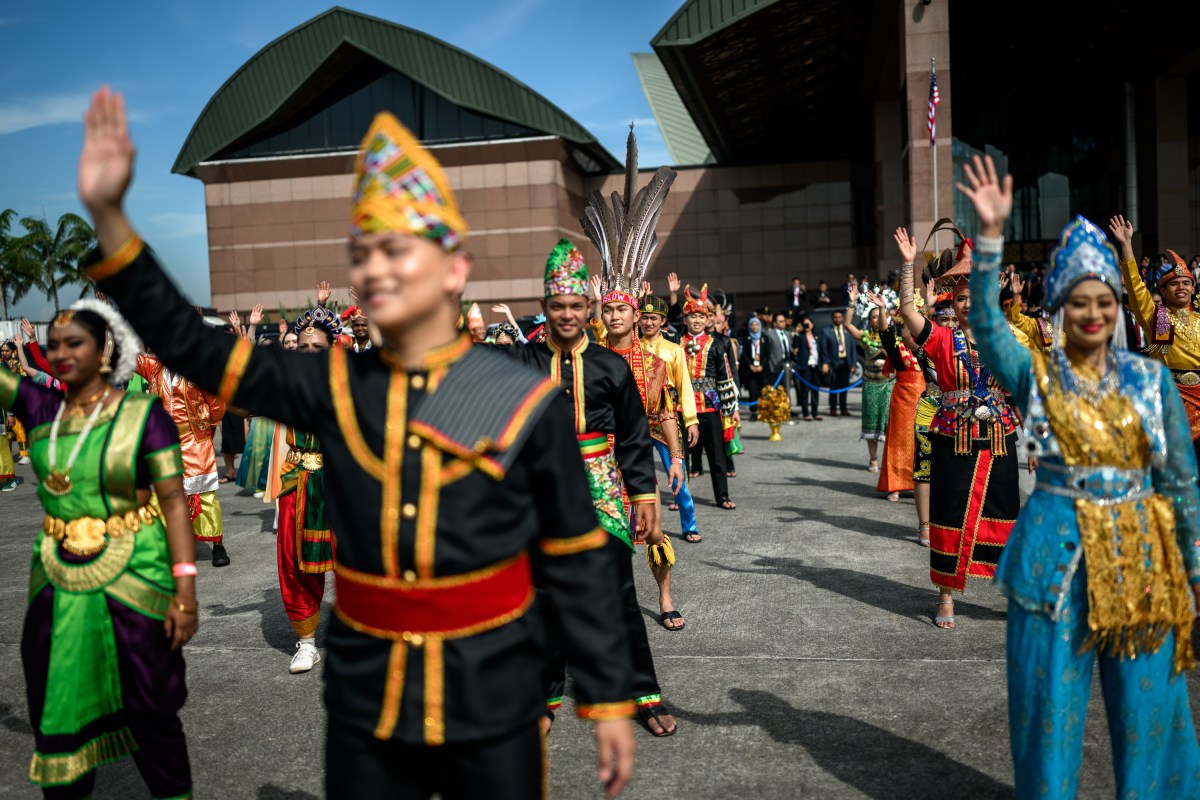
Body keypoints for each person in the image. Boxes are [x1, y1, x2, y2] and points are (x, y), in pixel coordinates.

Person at [76, 87, 637, 799]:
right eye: (362, 253)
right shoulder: (332, 385)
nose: (374, 268)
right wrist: (112, 220)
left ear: (455, 269)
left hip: (495, 697)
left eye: (397, 249)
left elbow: (577, 556)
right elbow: (196, 348)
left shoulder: (524, 398)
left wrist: (610, 695)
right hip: (369, 704)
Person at [963, 154, 1200, 800]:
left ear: (1117, 307)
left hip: (1143, 563)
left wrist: (1194, 571)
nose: (1092, 313)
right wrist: (989, 240)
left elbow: (1181, 485)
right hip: (1052, 569)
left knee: (1149, 721)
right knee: (1047, 720)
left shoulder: (1152, 382)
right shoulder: (1039, 376)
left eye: (1103, 301)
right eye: (1078, 301)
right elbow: (986, 329)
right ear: (1061, 308)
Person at [2, 298, 199, 799]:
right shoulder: (42, 406)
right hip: (57, 577)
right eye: (53, 346)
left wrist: (185, 590)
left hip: (136, 570)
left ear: (105, 348)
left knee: (150, 705)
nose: (61, 352)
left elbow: (174, 501)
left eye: (75, 343)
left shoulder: (143, 413)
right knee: (56, 704)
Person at [499, 236, 677, 737]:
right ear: (544, 308)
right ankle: (545, 695)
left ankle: (643, 692)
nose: (567, 314)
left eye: (577, 305)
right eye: (558, 306)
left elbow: (635, 441)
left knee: (618, 596)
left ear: (589, 308)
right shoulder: (523, 363)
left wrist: (645, 498)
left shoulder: (611, 365)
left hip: (602, 490)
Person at [895, 219, 1019, 629]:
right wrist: (909, 265)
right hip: (954, 435)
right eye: (961, 298)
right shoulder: (942, 339)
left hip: (999, 435)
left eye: (975, 297)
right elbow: (908, 311)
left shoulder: (1006, 337)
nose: (968, 304)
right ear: (953, 302)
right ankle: (946, 594)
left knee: (1003, 510)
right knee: (950, 510)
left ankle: (1011, 594)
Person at [1110, 214, 1200, 465]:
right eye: (1174, 284)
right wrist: (1126, 244)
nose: (1181, 287)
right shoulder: (1155, 317)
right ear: (1163, 290)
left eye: (1186, 283)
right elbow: (1136, 286)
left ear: (1193, 289)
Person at [137, 338, 228, 567]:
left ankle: (217, 544)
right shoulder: (153, 367)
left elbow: (217, 404)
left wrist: (205, 428)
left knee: (204, 494)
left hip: (194, 440)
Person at [639, 294, 702, 541]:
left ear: (663, 321)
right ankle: (643, 523)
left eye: (653, 318)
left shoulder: (674, 349)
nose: (648, 323)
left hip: (665, 417)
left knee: (677, 472)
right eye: (644, 318)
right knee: (640, 474)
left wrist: (691, 420)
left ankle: (689, 525)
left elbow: (685, 387)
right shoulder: (633, 347)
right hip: (638, 419)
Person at [681, 284, 738, 510]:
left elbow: (724, 377)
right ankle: (681, 498)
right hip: (682, 408)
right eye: (692, 316)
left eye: (700, 317)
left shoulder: (717, 344)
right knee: (681, 455)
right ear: (685, 319)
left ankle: (722, 496)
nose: (696, 320)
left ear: (707, 320)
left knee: (717, 455)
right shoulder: (677, 343)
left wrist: (730, 408)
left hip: (710, 407)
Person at [842, 298, 893, 471]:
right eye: (874, 317)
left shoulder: (895, 336)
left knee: (891, 424)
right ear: (869, 320)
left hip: (890, 385)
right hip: (871, 385)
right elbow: (848, 325)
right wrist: (852, 302)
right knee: (871, 422)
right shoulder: (865, 337)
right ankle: (873, 459)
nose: (877, 319)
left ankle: (890, 461)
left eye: (881, 315)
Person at [818, 309, 856, 416]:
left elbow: (852, 348)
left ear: (842, 318)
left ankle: (843, 407)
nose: (837, 319)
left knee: (844, 386)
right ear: (832, 318)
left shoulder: (847, 330)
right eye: (835, 317)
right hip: (833, 362)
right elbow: (823, 349)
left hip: (845, 362)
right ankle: (833, 408)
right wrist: (825, 362)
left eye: (839, 317)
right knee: (833, 386)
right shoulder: (826, 331)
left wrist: (853, 364)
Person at [792, 318, 823, 420]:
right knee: (804, 391)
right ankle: (806, 413)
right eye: (804, 324)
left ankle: (815, 412)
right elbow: (795, 350)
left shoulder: (817, 336)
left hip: (816, 366)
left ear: (812, 325)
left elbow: (822, 351)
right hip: (805, 367)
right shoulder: (800, 337)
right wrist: (797, 332)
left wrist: (824, 363)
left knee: (815, 390)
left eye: (808, 324)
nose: (807, 326)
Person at [763, 312, 794, 410]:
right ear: (775, 323)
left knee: (786, 389)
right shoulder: (769, 334)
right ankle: (775, 410)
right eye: (780, 321)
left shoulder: (788, 334)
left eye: (784, 321)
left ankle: (786, 409)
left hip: (787, 365)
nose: (783, 323)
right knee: (775, 389)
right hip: (774, 366)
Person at [740, 317, 766, 411]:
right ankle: (754, 411)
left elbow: (767, 354)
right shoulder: (747, 339)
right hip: (750, 370)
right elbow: (744, 355)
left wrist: (762, 365)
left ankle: (763, 410)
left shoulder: (764, 338)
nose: (754, 327)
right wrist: (750, 366)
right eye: (752, 324)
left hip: (762, 369)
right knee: (752, 391)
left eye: (756, 324)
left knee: (763, 391)